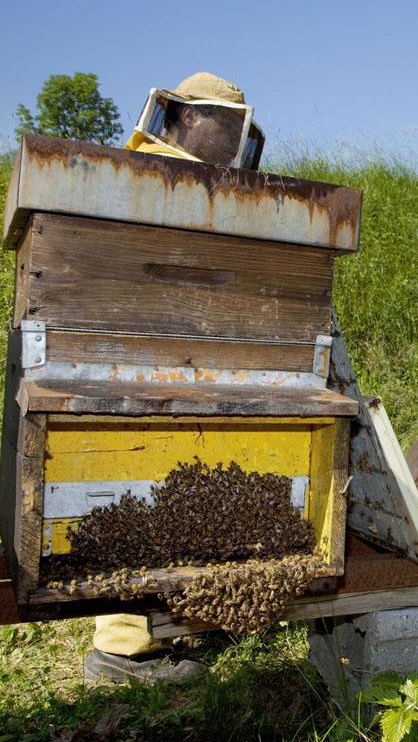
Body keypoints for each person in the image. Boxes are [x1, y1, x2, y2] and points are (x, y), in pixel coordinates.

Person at [85, 72, 265, 684]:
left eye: (243, 125)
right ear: (187, 117)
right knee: (139, 488)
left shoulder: (198, 182)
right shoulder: (146, 170)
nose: (237, 135)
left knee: (185, 491)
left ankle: (176, 624)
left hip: (185, 355)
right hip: (138, 354)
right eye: (227, 121)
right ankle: (121, 648)